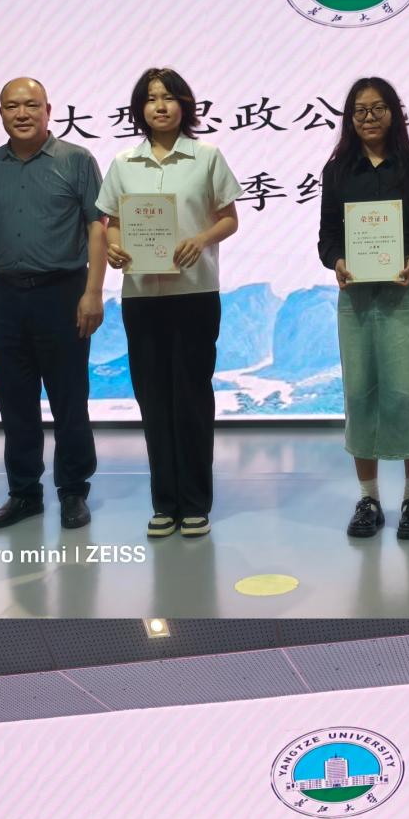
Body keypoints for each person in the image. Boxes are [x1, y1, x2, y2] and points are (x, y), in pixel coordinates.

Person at [96, 67, 240, 538]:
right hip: (141, 295)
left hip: (195, 292)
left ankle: (195, 503)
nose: (160, 106)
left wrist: (201, 239)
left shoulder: (207, 157)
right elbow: (112, 223)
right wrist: (114, 247)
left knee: (192, 399)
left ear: (184, 105)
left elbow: (229, 218)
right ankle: (165, 504)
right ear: (140, 108)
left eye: (169, 97)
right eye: (151, 98)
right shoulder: (124, 163)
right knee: (153, 400)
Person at [0, 76, 105, 530]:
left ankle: (73, 490)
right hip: (5, 294)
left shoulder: (77, 161)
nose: (21, 113)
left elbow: (97, 228)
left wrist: (93, 291)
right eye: (12, 106)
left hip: (63, 292)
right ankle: (24, 493)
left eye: (31, 105)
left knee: (69, 398)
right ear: (0, 113)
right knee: (14, 399)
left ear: (49, 111)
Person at [318, 77, 409, 542]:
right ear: (349, 119)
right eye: (359, 111)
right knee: (360, 394)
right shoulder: (337, 171)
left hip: (404, 293)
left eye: (377, 109)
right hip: (355, 296)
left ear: (395, 113)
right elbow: (327, 236)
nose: (368, 118)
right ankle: (368, 499)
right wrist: (336, 261)